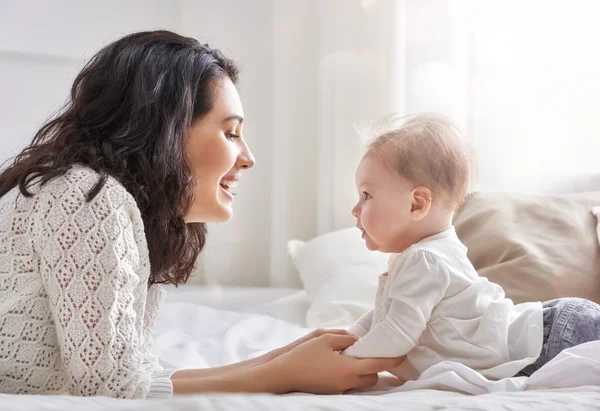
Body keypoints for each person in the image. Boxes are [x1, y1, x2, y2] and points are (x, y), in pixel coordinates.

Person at [0, 30, 402, 399]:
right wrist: (281, 375)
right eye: (230, 133)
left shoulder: (107, 203)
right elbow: (110, 388)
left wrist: (281, 359)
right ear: (165, 130)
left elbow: (138, 375)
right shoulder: (87, 197)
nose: (249, 158)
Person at [341, 113, 600, 382]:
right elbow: (385, 314)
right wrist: (346, 338)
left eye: (366, 195)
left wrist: (341, 360)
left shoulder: (424, 259)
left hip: (553, 340)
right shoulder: (430, 252)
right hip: (556, 330)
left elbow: (395, 335)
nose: (355, 209)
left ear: (416, 204)